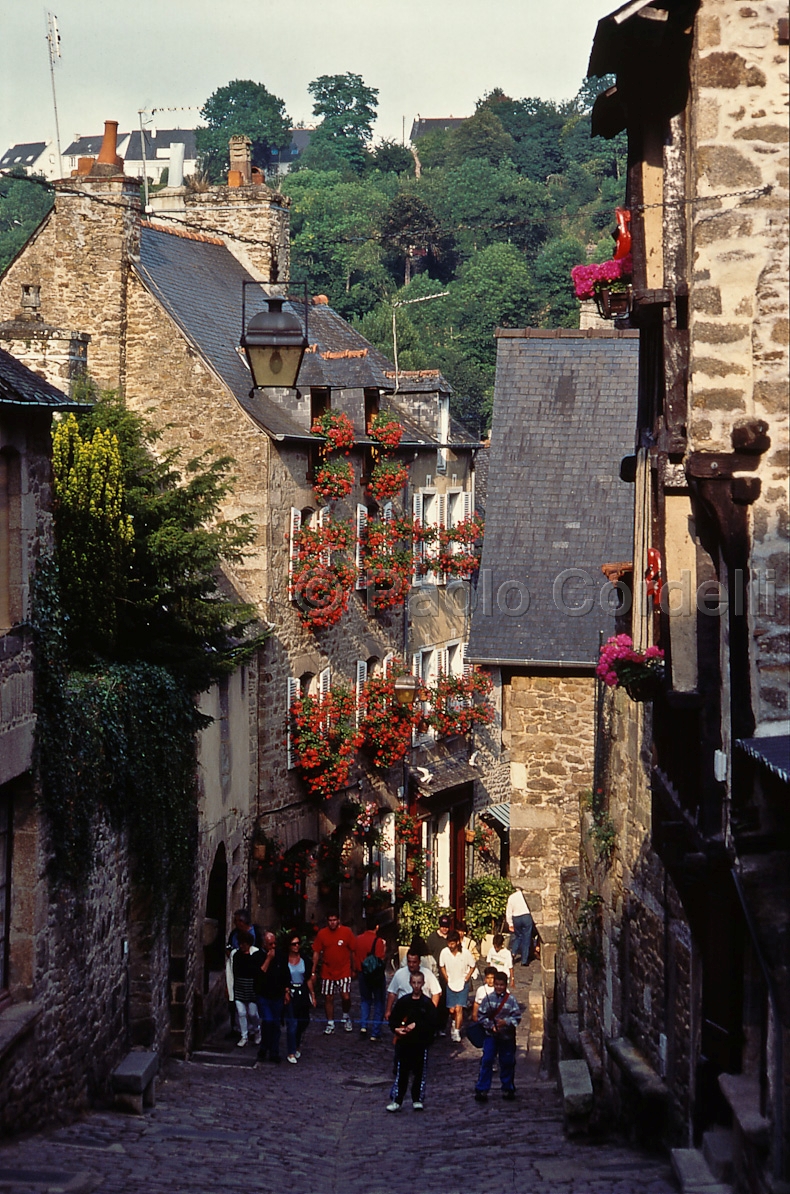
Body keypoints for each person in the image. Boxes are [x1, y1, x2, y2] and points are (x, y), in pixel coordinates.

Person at [386, 972, 438, 1112]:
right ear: (410, 983)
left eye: (419, 983)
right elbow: (394, 1019)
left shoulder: (427, 1003)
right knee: (402, 1073)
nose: (416, 986)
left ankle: (417, 1099)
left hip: (420, 1043)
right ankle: (397, 1100)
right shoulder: (404, 1001)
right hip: (405, 1043)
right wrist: (397, 1029)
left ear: (423, 983)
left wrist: (417, 1026)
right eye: (414, 983)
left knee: (419, 1073)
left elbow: (433, 1023)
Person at [473, 971, 522, 1102]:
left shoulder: (511, 1000)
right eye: (497, 985)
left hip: (506, 1037)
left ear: (505, 985)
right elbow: (481, 1016)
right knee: (487, 1060)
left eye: (501, 985)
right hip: (491, 1036)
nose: (499, 987)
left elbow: (517, 1017)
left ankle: (508, 1088)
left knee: (507, 1062)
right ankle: (482, 1089)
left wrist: (506, 1022)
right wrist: (491, 1026)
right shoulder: (488, 998)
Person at [312, 912, 356, 1034]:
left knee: (345, 995)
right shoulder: (322, 934)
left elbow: (352, 950)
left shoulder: (347, 932)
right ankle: (330, 1022)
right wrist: (313, 970)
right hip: (328, 970)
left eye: (334, 920)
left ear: (338, 920)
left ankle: (346, 1015)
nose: (332, 922)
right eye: (330, 920)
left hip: (344, 969)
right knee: (328, 997)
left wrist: (354, 968)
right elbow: (316, 952)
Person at [255, 931, 289, 1063]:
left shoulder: (280, 956)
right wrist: (268, 959)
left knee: (275, 1024)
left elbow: (285, 973)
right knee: (268, 1021)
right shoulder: (258, 956)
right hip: (264, 995)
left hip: (277, 995)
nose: (273, 946)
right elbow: (259, 975)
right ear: (264, 944)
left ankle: (274, 1051)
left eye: (275, 943)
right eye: (270, 944)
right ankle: (264, 1047)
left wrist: (286, 990)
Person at [225, 909, 259, 1036]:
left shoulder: (255, 934)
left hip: (251, 976)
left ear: (242, 921)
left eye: (236, 921)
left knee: (252, 1009)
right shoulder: (234, 934)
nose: (235, 923)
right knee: (238, 1008)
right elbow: (229, 947)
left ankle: (255, 1029)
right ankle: (239, 1031)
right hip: (237, 973)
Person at [384, 947, 442, 1021]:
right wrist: (388, 1010)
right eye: (409, 962)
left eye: (414, 962)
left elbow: (436, 993)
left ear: (419, 962)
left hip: (422, 1010)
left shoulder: (428, 974)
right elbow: (392, 992)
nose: (411, 965)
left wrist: (431, 1010)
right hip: (404, 1010)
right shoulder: (399, 973)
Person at [283, 931, 315, 1064]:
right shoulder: (284, 960)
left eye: (298, 944)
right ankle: (291, 1051)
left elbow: (307, 979)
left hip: (302, 991)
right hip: (290, 991)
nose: (296, 946)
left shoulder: (305, 960)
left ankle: (296, 1042)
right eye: (293, 944)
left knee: (303, 1021)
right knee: (292, 1022)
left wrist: (312, 995)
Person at [439, 930, 475, 1042]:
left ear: (457, 942)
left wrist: (467, 977)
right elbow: (442, 966)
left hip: (462, 983)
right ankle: (454, 1022)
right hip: (450, 984)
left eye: (452, 943)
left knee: (459, 1008)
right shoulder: (444, 952)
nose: (450, 945)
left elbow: (472, 966)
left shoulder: (465, 953)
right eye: (449, 943)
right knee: (452, 1010)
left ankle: (457, 1031)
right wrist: (446, 978)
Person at [354, 921, 387, 1040]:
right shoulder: (378, 941)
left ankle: (363, 1025)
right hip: (375, 975)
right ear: (377, 927)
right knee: (379, 1002)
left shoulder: (358, 939)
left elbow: (355, 955)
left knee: (365, 1000)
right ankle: (375, 1031)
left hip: (362, 973)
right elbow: (380, 958)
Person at [230, 931, 262, 1048]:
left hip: (251, 986)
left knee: (253, 1013)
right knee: (241, 1012)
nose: (241, 946)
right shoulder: (236, 955)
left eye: (243, 944)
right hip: (240, 986)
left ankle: (257, 1030)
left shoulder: (255, 955)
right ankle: (244, 1036)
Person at [505, 887, 534, 966]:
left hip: (516, 917)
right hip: (526, 916)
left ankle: (513, 953)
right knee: (526, 938)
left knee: (518, 937)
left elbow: (509, 911)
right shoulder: (527, 896)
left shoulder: (512, 897)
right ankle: (524, 960)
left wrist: (510, 923)